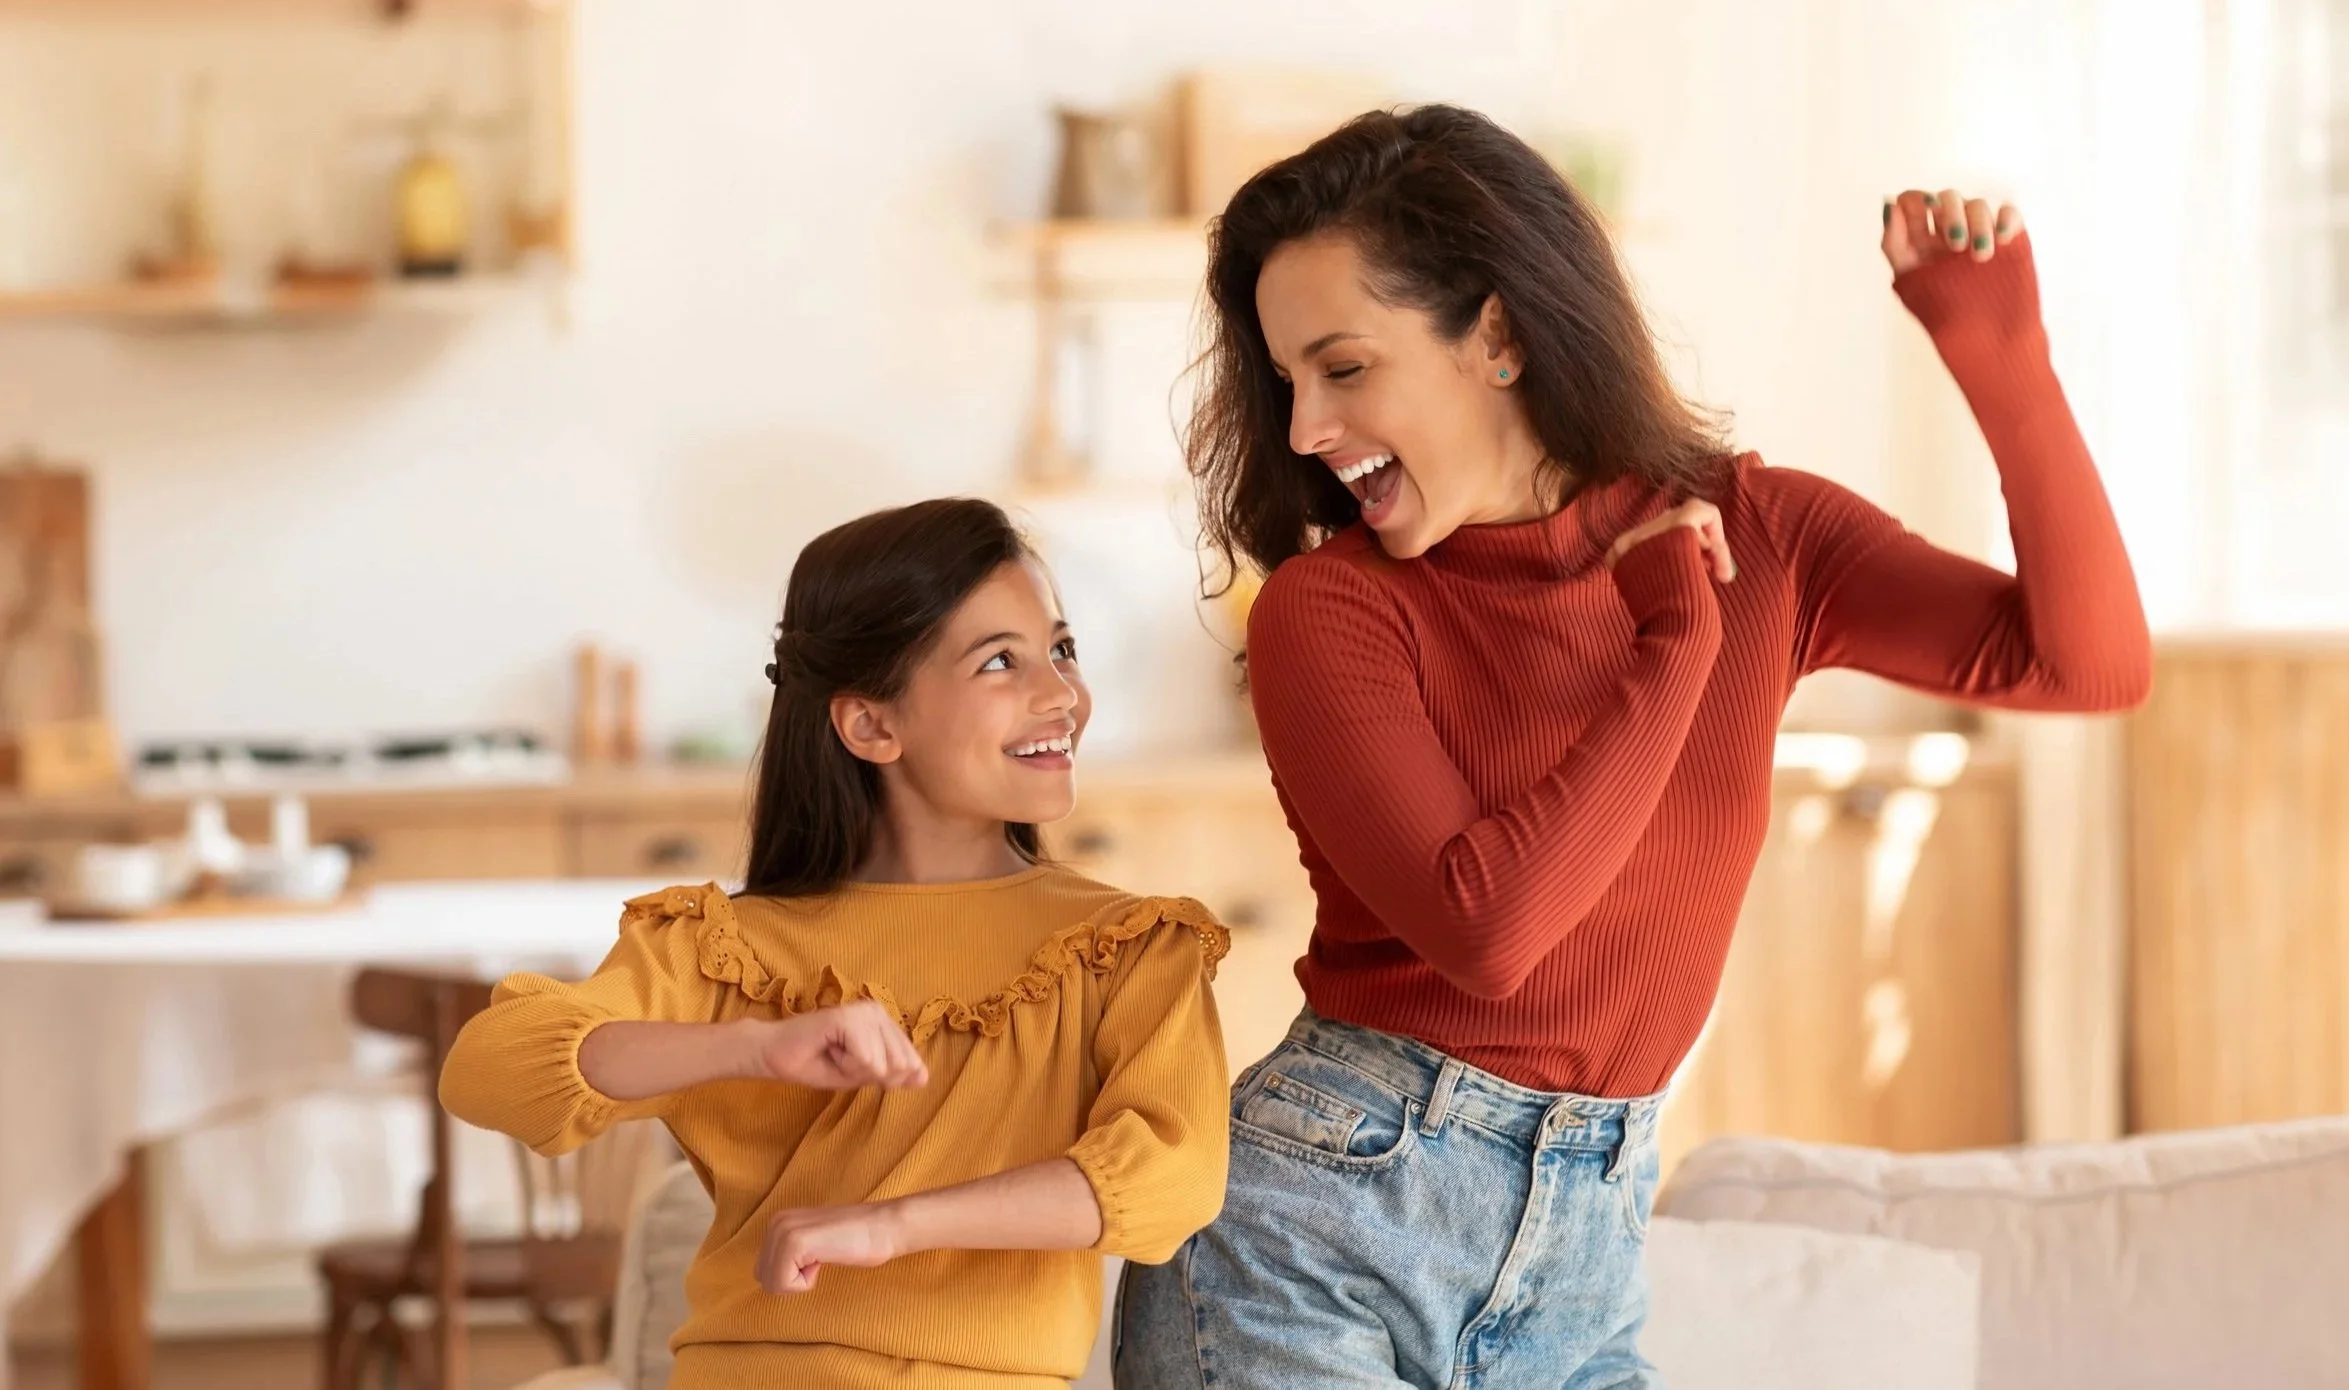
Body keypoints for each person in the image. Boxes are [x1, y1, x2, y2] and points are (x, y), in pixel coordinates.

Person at [1115, 104, 2151, 1388]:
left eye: (1343, 367)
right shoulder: (1334, 612)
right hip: (1313, 1233)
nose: (1304, 431)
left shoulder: (1755, 531)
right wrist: (1674, 640)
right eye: (1284, 384)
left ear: (1495, 337)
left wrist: (2003, 360)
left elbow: (2085, 664)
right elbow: (1493, 934)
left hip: (1585, 1242)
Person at [441, 498, 1231, 1390]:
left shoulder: (1127, 947)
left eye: (1062, 649)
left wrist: (893, 1225)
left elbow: (1175, 1175)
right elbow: (489, 1069)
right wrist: (754, 1046)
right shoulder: (721, 947)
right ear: (871, 726)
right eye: (1000, 661)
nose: (1062, 695)